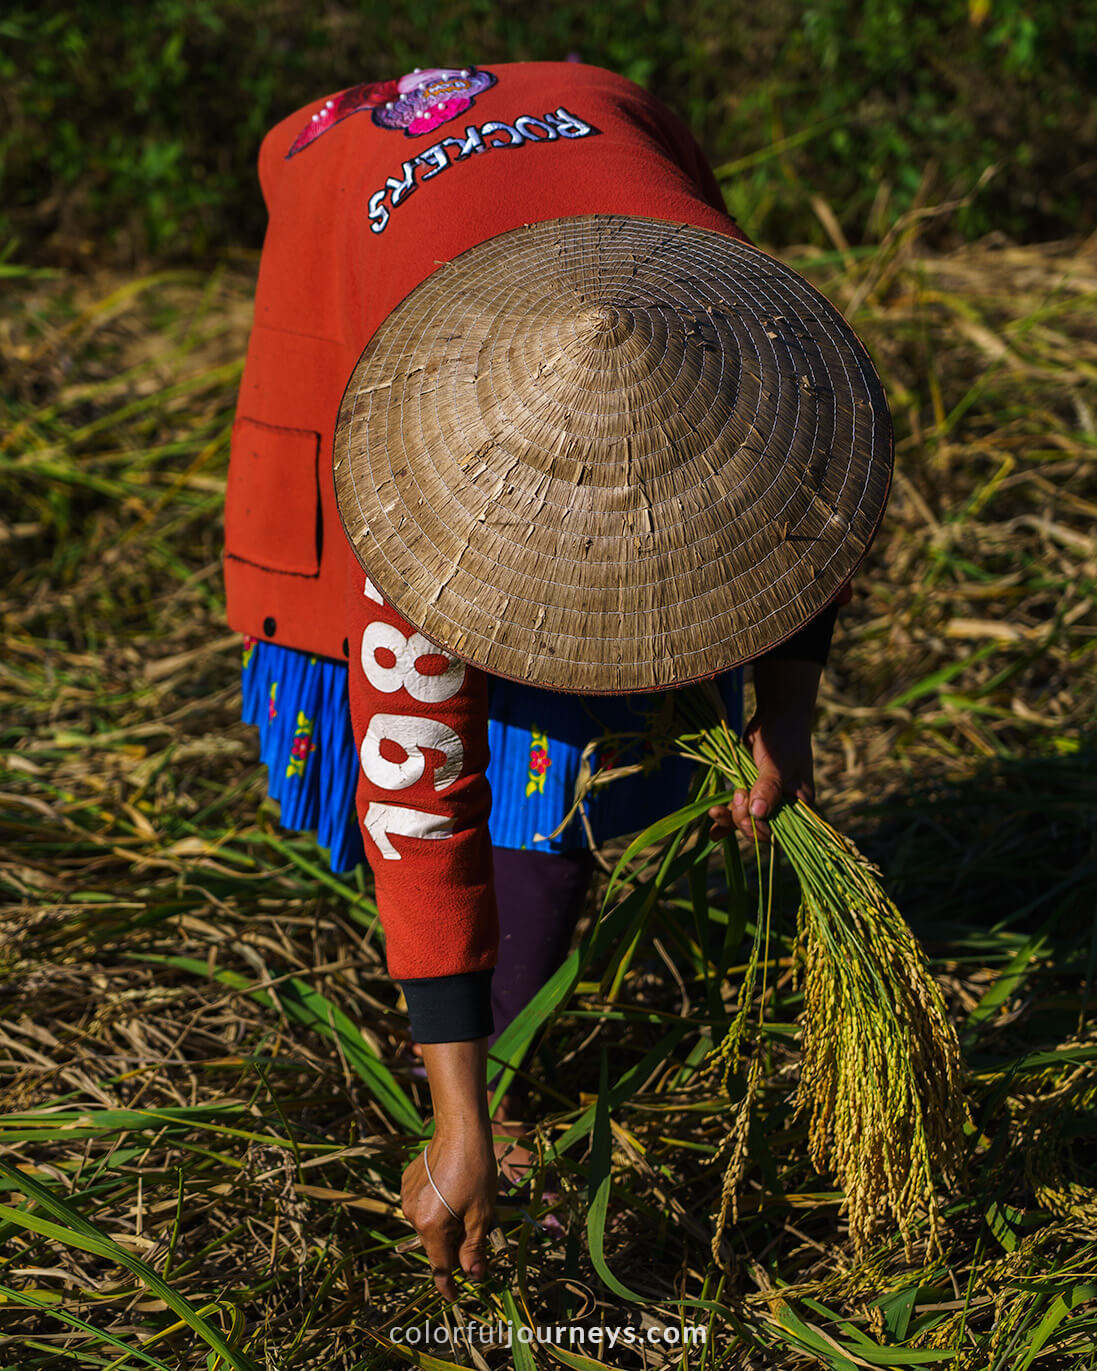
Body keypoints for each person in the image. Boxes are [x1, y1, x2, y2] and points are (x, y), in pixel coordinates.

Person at [224, 61, 891, 1301]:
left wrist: (784, 709)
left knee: (578, 727)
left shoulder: (765, 347)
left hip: (589, 110)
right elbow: (414, 779)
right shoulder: (417, 479)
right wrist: (462, 1114)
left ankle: (508, 996)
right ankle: (495, 1055)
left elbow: (810, 509)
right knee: (491, 755)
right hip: (344, 183)